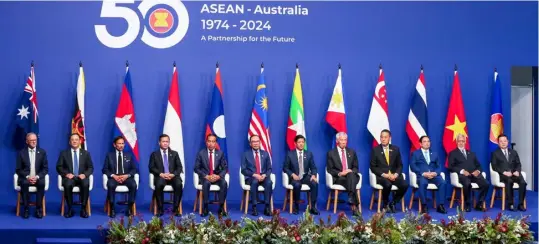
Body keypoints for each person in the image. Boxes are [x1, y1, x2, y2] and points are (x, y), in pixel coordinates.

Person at [369, 129, 409, 213]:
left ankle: (393, 202)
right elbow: (373, 167)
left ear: (389, 138)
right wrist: (384, 175)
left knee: (405, 185)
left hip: (394, 176)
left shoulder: (396, 149)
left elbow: (400, 165)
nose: (383, 139)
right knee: (388, 184)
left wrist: (396, 174)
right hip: (382, 176)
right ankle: (385, 203)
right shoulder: (375, 150)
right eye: (381, 137)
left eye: (385, 137)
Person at [56, 133, 94, 218]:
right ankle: (70, 209)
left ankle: (83, 209)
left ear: (80, 141)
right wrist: (66, 174)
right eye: (72, 140)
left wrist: (85, 174)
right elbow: (59, 167)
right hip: (70, 178)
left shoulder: (86, 153)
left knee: (85, 184)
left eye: (76, 140)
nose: (74, 141)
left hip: (81, 177)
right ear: (69, 142)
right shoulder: (64, 153)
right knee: (67, 184)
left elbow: (91, 167)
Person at [448, 133, 489, 212]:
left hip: (474, 175)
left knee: (486, 184)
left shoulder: (471, 154)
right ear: (456, 142)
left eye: (463, 141)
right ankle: (467, 204)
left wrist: (477, 171)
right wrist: (462, 171)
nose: (461, 143)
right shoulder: (453, 153)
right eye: (459, 141)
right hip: (462, 176)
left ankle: (479, 204)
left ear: (465, 142)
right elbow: (451, 166)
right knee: (467, 183)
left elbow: (479, 166)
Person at [102, 136, 138, 218]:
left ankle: (129, 208)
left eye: (122, 143)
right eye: (119, 143)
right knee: (110, 185)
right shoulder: (109, 155)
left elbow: (134, 169)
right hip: (114, 178)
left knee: (133, 185)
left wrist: (127, 175)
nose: (121, 145)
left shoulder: (129, 155)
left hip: (126, 177)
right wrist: (113, 175)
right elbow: (105, 169)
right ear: (114, 145)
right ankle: (112, 209)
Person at [283, 135, 319, 215]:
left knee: (314, 183)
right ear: (295, 143)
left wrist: (313, 175)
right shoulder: (290, 154)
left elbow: (313, 167)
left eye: (303, 142)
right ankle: (296, 206)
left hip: (305, 176)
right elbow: (285, 168)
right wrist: (292, 174)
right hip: (295, 177)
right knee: (297, 185)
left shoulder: (309, 154)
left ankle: (313, 207)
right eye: (299, 142)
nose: (301, 144)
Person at [410, 135, 447, 214]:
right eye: (424, 141)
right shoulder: (415, 154)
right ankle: (424, 205)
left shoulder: (434, 154)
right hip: (422, 175)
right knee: (423, 183)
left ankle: (441, 205)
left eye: (428, 141)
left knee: (443, 183)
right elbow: (413, 166)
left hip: (433, 175)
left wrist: (435, 173)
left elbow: (439, 166)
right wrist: (423, 173)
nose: (427, 143)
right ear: (420, 144)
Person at [194, 133, 228, 217]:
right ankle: (205, 207)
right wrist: (206, 176)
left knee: (224, 183)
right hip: (205, 177)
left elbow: (225, 168)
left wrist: (219, 176)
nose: (211, 143)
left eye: (213, 141)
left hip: (217, 177)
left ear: (216, 143)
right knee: (206, 183)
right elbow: (196, 168)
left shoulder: (220, 153)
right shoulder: (201, 153)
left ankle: (221, 207)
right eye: (209, 141)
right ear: (206, 142)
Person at [149, 134, 183, 217]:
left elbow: (179, 167)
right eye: (163, 141)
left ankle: (175, 209)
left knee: (179, 184)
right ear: (159, 143)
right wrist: (161, 174)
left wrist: (173, 174)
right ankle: (160, 209)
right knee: (159, 184)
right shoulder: (154, 154)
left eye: (167, 141)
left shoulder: (174, 154)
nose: (165, 143)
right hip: (161, 176)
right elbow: (151, 167)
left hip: (172, 176)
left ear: (169, 143)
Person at [15, 132, 48, 219]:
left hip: (37, 177)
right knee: (24, 183)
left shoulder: (42, 152)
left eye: (35, 140)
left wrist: (37, 177)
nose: (34, 142)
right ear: (27, 141)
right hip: (26, 177)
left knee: (41, 183)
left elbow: (45, 169)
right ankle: (26, 209)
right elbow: (18, 169)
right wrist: (27, 177)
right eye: (31, 140)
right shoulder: (21, 153)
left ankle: (38, 209)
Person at [327, 132, 360, 216]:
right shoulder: (331, 153)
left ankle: (350, 198)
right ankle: (354, 207)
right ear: (337, 141)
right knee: (350, 182)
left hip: (352, 176)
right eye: (341, 140)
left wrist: (350, 171)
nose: (344, 142)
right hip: (339, 178)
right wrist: (340, 173)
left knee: (351, 176)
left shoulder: (352, 152)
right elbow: (330, 169)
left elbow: (356, 167)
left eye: (345, 140)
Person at [490, 134, 527, 211]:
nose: (503, 143)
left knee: (523, 182)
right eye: (501, 141)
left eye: (505, 141)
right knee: (509, 181)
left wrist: (517, 171)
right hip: (503, 175)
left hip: (514, 173)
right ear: (498, 143)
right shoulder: (495, 153)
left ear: (508, 142)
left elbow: (518, 164)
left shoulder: (513, 152)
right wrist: (504, 172)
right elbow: (494, 166)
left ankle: (520, 204)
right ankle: (511, 204)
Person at [241, 135, 273, 216]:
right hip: (251, 177)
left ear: (260, 142)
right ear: (250, 143)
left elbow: (269, 169)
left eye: (257, 141)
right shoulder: (245, 154)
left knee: (269, 182)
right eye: (253, 142)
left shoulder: (265, 154)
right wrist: (254, 175)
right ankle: (254, 207)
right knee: (254, 182)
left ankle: (267, 207)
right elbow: (243, 170)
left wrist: (265, 175)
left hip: (263, 177)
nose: (255, 143)